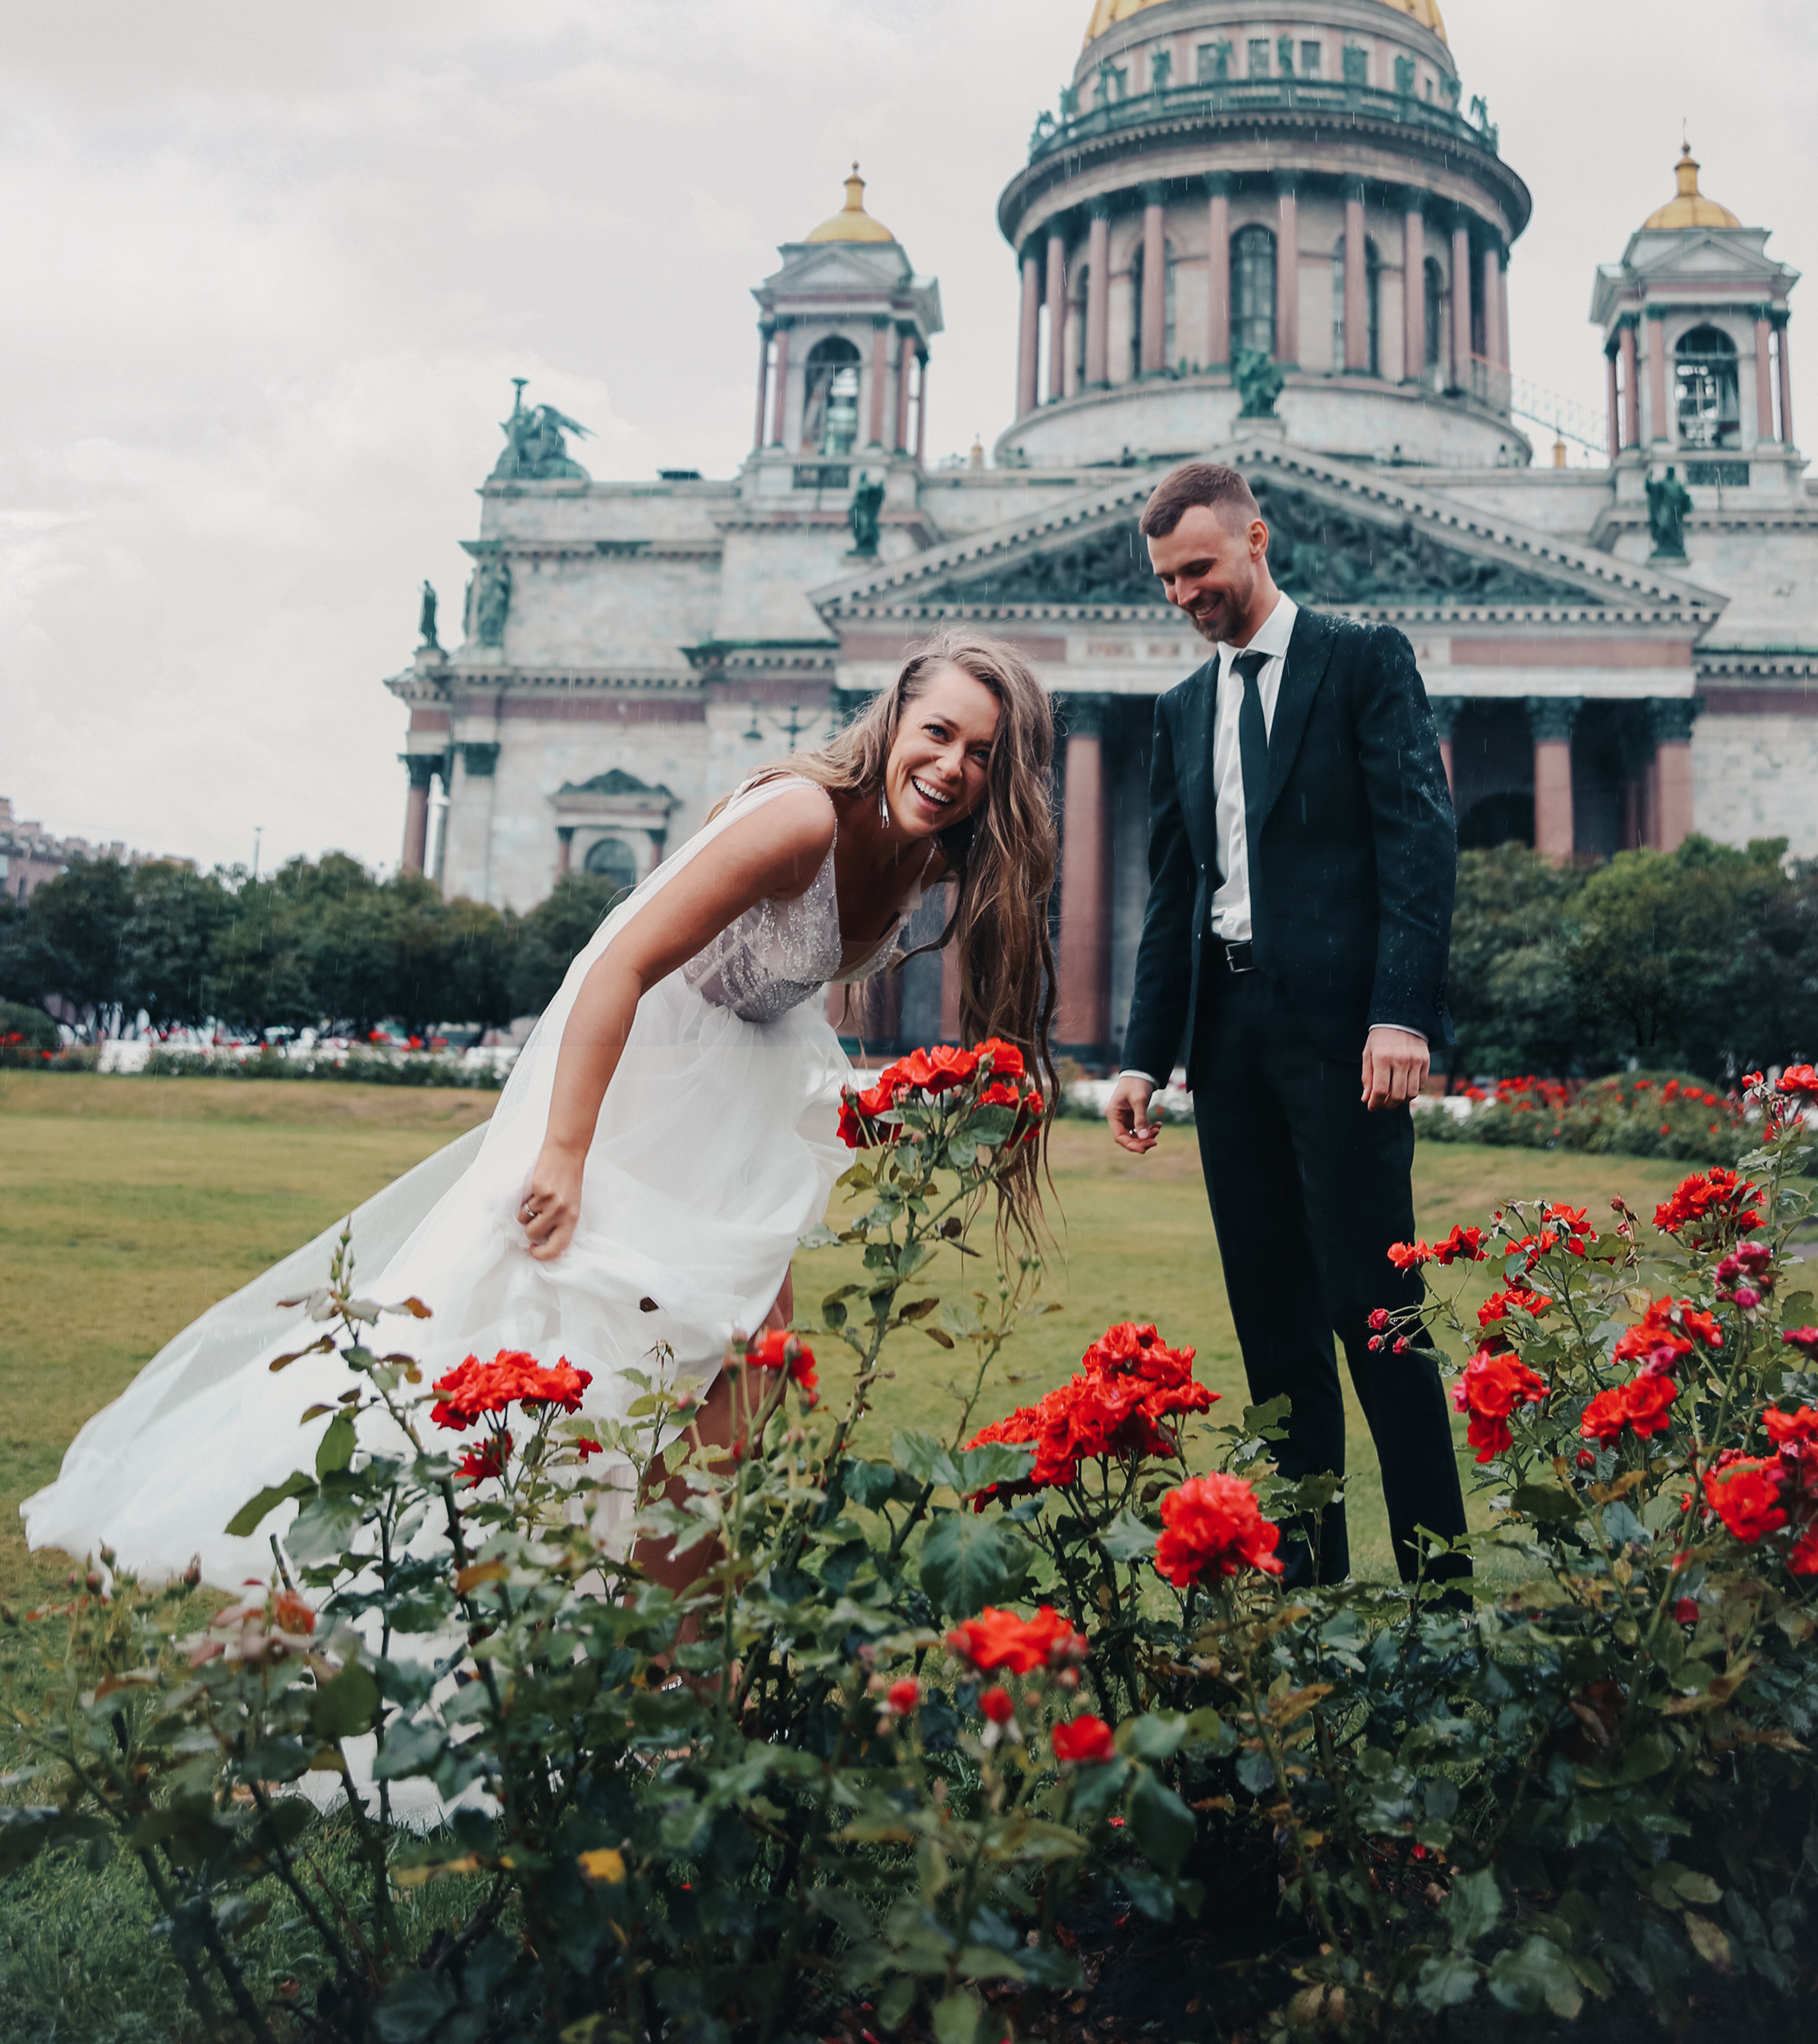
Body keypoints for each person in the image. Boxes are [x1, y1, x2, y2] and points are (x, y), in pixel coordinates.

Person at [24, 634, 1059, 1589]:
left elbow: (780, 1014)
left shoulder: (933, 854)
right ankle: (384, 1573)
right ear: (892, 721)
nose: (954, 765)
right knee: (541, 1333)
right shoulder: (799, 817)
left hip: (741, 1093)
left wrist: (940, 1104)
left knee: (736, 1391)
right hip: (636, 1080)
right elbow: (620, 963)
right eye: (938, 733)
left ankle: (672, 1657)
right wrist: (564, 1151)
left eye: (982, 752)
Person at [1105, 463, 1466, 1589]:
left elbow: (1419, 840)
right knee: (1270, 1321)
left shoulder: (1362, 662)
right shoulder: (1182, 709)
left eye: (1199, 570)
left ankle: (1439, 1585)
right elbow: (1176, 895)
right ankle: (1308, 1577)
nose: (1184, 596)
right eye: (1166, 581)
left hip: (1346, 1037)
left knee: (1377, 1313)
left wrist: (1400, 1011)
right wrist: (1141, 1054)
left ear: (1256, 539)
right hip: (1231, 1039)